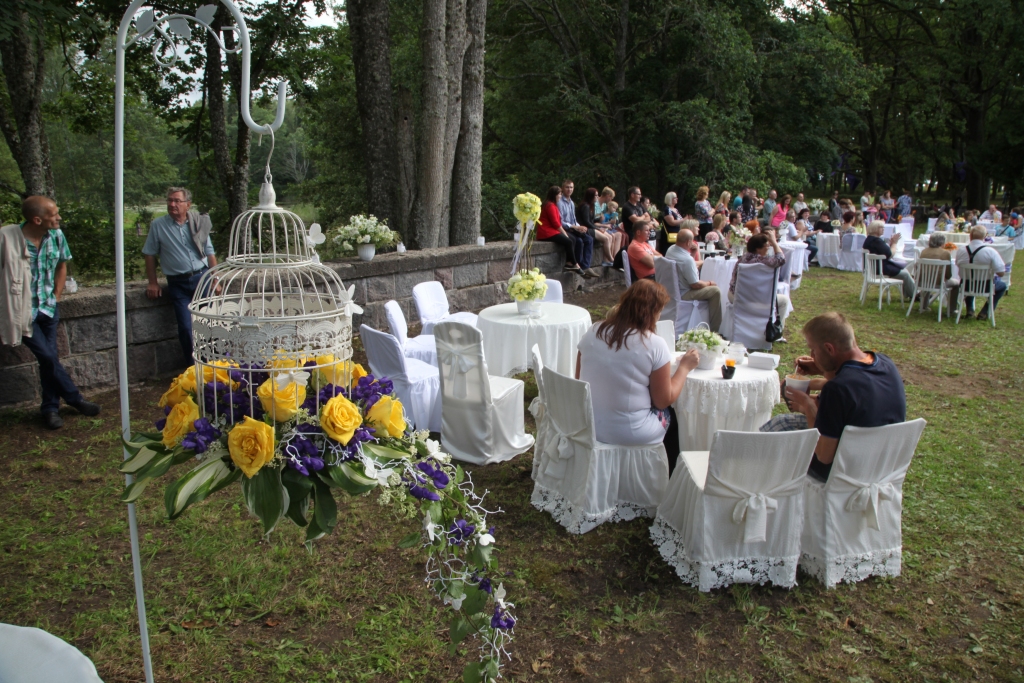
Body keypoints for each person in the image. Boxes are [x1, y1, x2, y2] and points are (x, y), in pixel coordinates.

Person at [759, 312, 906, 482]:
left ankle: (759, 485)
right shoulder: (884, 362)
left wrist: (808, 406)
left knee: (776, 432)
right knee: (783, 423)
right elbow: (854, 384)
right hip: (881, 465)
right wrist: (822, 368)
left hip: (844, 472)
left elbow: (824, 455)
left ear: (829, 349)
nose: (811, 355)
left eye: (813, 349)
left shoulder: (836, 389)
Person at [575, 279, 701, 472]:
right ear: (653, 312)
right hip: (628, 432)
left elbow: (579, 381)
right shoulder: (653, 344)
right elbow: (663, 400)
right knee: (673, 417)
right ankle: (667, 477)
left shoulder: (593, 331)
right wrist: (684, 367)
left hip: (587, 423)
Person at [0, 196, 100, 429]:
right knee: (47, 357)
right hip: (22, 311)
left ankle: (50, 409)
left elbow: (62, 265)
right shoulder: (8, 239)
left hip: (47, 308)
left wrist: (56, 296)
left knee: (49, 360)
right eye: (54, 214)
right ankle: (75, 399)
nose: (58, 218)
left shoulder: (56, 235)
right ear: (37, 219)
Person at [144, 187, 218, 365]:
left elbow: (209, 252)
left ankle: (214, 365)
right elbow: (149, 253)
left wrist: (216, 279)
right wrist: (153, 283)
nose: (172, 204)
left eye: (177, 201)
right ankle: (193, 368)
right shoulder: (158, 225)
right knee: (186, 328)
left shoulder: (198, 223)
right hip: (178, 283)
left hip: (202, 278)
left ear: (188, 204)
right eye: (169, 200)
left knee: (209, 325)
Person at [665, 229, 723, 332]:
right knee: (715, 291)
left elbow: (685, 268)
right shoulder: (687, 260)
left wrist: (693, 253)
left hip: (671, 290)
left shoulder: (671, 249)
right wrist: (709, 283)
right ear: (688, 242)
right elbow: (695, 285)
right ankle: (715, 330)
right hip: (684, 293)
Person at [956, 225, 1007, 319]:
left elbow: (957, 264)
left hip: (966, 285)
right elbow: (1001, 272)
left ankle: (970, 309)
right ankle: (985, 312)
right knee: (1002, 285)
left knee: (970, 279)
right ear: (984, 236)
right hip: (985, 287)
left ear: (970, 235)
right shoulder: (990, 251)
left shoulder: (961, 250)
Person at [535, 185, 585, 275]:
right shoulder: (550, 205)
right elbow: (556, 224)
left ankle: (569, 262)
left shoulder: (552, 205)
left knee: (573, 239)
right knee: (569, 241)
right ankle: (575, 264)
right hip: (546, 232)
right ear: (554, 195)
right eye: (559, 194)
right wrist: (565, 233)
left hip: (552, 230)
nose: (560, 196)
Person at [863, 220, 915, 298]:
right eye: (881, 228)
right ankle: (915, 295)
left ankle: (910, 293)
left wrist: (891, 244)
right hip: (880, 269)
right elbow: (890, 254)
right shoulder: (876, 241)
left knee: (905, 271)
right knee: (905, 274)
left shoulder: (869, 239)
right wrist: (894, 243)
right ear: (875, 228)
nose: (883, 229)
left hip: (872, 268)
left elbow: (884, 251)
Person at [558, 179, 595, 271]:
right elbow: (560, 221)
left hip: (573, 228)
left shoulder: (571, 202)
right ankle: (577, 265)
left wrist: (580, 227)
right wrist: (574, 227)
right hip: (565, 229)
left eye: (571, 187)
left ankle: (585, 266)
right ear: (562, 188)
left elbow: (574, 219)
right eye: (567, 187)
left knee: (589, 239)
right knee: (578, 241)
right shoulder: (559, 202)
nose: (569, 189)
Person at [918, 232, 958, 315]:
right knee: (956, 284)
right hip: (938, 283)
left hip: (923, 282)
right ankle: (952, 309)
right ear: (942, 242)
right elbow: (948, 274)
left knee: (929, 278)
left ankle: (924, 306)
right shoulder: (945, 253)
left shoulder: (924, 251)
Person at [578, 187, 618, 267]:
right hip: (587, 229)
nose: (597, 197)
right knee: (606, 238)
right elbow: (586, 222)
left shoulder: (591, 206)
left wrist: (600, 221)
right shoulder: (586, 206)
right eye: (595, 195)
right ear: (590, 196)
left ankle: (607, 260)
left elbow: (592, 220)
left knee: (609, 237)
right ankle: (611, 259)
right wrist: (598, 228)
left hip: (591, 227)